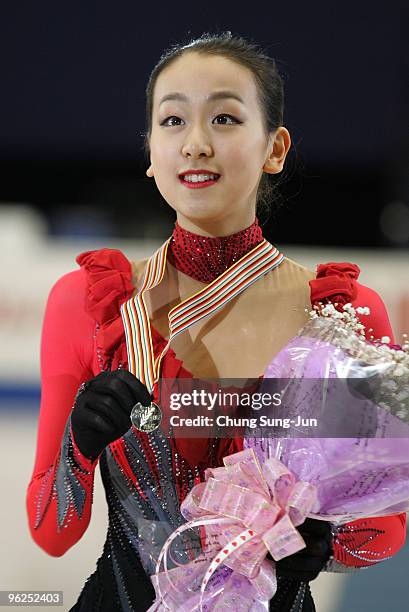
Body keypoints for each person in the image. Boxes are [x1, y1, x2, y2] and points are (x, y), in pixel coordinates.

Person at [26, 32, 406, 611]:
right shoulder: (88, 303)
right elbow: (50, 533)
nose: (196, 143)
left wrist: (329, 542)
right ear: (150, 151)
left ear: (274, 149)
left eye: (225, 118)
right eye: (173, 121)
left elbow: (386, 529)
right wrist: (76, 448)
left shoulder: (339, 315)